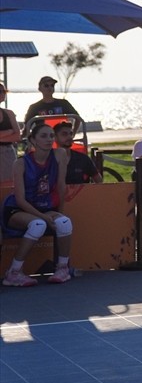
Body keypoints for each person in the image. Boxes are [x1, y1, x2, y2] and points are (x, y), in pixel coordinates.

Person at [2, 122, 74, 286]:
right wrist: (43, 216)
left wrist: (59, 212)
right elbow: (20, 199)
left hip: (45, 207)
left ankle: (62, 268)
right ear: (33, 140)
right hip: (18, 209)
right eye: (43, 136)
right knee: (38, 224)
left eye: (51, 136)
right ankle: (13, 272)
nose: (49, 139)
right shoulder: (20, 163)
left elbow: (61, 185)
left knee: (64, 222)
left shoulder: (59, 155)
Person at [0, 82, 21, 185]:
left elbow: (17, 136)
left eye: (4, 91)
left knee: (9, 185)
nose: (2, 94)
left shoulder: (9, 113)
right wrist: (9, 132)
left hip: (8, 153)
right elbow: (14, 133)